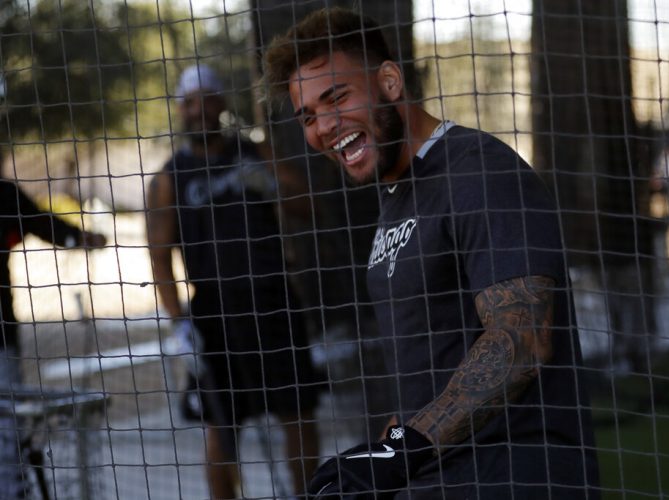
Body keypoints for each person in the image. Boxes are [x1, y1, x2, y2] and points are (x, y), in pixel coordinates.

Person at [263, 7, 601, 499]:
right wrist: (379, 459)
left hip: (518, 479)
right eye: (308, 116)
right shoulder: (395, 197)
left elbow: (522, 341)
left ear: (390, 81)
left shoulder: (478, 171)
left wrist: (403, 451)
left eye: (338, 97)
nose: (324, 126)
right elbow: (431, 379)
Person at [146, 63, 320, 498]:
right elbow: (158, 257)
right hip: (213, 313)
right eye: (189, 102)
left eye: (207, 99)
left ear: (221, 103)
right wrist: (179, 325)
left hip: (273, 301)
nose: (198, 110)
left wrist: (272, 186)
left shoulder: (255, 152)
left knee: (298, 412)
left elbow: (310, 205)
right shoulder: (170, 177)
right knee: (220, 425)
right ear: (180, 109)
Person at [0, 178, 105, 498]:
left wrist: (79, 237)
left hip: (0, 337)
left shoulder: (4, 195)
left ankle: (12, 490)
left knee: (7, 426)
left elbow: (41, 222)